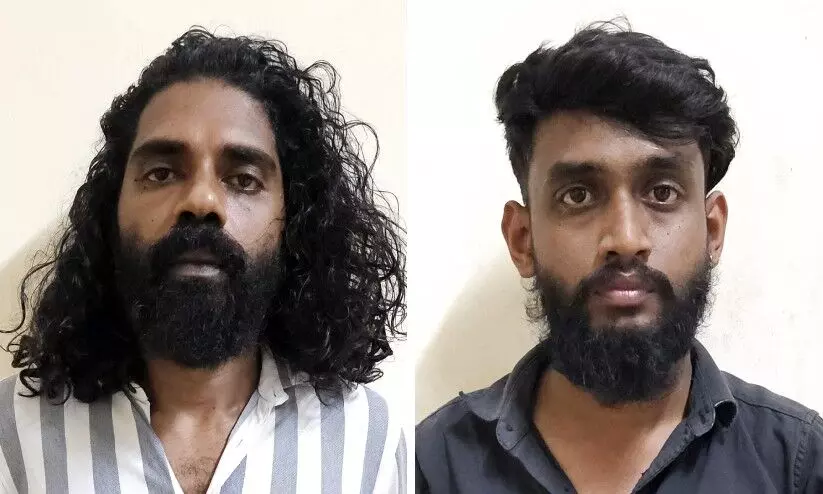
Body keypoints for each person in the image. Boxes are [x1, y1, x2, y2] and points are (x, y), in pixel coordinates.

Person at [416, 22, 823, 493]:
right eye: (578, 195)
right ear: (523, 240)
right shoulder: (431, 467)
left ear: (712, 231)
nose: (626, 239)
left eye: (662, 192)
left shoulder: (798, 466)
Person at [0, 28, 406, 494]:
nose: (201, 200)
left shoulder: (369, 441)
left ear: (294, 219)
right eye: (162, 173)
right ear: (112, 212)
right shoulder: (13, 436)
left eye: (244, 179)